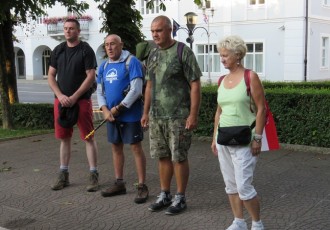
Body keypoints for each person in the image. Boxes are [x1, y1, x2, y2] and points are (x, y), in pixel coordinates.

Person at [141, 15, 202, 215]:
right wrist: (146, 112)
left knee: (179, 157)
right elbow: (149, 85)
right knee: (162, 156)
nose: (155, 34)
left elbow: (195, 84)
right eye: (152, 31)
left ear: (169, 30)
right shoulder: (152, 54)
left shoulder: (183, 51)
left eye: (158, 30)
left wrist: (193, 114)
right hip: (157, 116)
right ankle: (165, 194)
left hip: (179, 116)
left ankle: (181, 197)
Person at [211, 35, 266, 230]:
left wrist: (257, 138)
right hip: (223, 139)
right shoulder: (221, 80)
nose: (222, 58)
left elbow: (261, 109)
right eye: (221, 55)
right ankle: (238, 222)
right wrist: (214, 138)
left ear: (237, 55)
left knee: (244, 186)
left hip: (245, 139)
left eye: (225, 55)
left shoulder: (250, 77)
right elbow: (219, 111)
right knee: (231, 185)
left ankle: (257, 224)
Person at [48, 18, 99, 192]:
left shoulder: (86, 50)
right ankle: (63, 175)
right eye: (66, 28)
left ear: (78, 31)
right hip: (61, 102)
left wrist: (75, 96)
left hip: (82, 101)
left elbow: (90, 75)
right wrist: (61, 95)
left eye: (71, 28)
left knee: (89, 137)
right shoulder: (58, 50)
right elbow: (50, 76)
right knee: (64, 138)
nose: (68, 31)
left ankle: (93, 175)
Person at [96, 34, 149, 204]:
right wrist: (105, 110)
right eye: (107, 45)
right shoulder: (103, 66)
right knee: (116, 147)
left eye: (113, 44)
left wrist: (119, 108)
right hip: (111, 116)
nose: (110, 48)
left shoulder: (131, 62)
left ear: (121, 45)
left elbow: (137, 89)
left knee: (135, 148)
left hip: (130, 115)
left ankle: (142, 186)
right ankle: (119, 183)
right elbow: (100, 91)